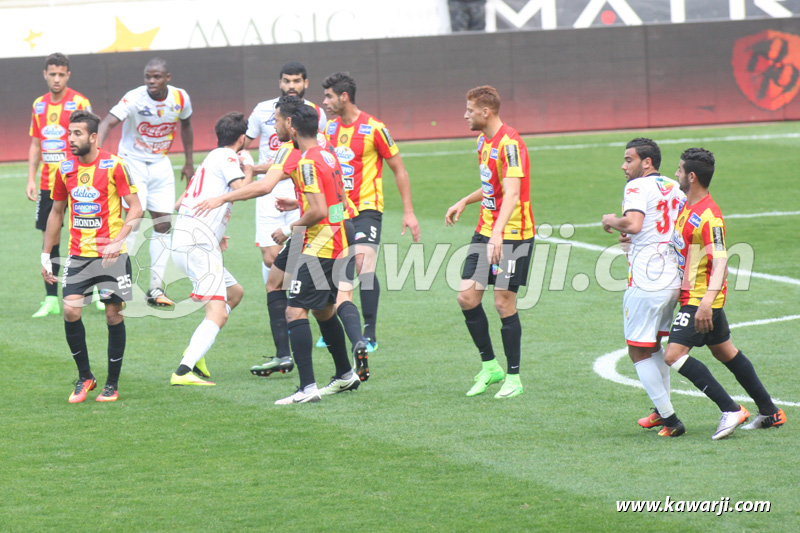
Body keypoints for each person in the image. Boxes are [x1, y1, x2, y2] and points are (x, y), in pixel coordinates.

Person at [194, 97, 368, 383]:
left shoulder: (296, 152)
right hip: (335, 226)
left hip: (317, 235)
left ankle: (306, 383)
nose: (272, 126)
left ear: (290, 123)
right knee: (300, 293)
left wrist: (221, 198)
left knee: (300, 308)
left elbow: (266, 188)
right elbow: (331, 195)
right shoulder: (324, 148)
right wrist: (297, 204)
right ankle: (344, 366)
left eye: (276, 120)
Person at [663, 147, 786, 439]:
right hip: (694, 295)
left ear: (691, 176)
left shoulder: (709, 216)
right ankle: (770, 412)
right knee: (724, 351)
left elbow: (721, 263)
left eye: (680, 170)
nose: (676, 173)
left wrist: (706, 302)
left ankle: (730, 409)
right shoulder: (686, 206)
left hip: (700, 299)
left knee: (673, 355)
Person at [40, 110, 143, 403]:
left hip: (111, 257)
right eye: (69, 133)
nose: (70, 139)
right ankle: (85, 377)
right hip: (78, 256)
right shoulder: (64, 169)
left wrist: (119, 240)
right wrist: (46, 254)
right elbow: (56, 212)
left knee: (113, 315)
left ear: (93, 137)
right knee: (71, 311)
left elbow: (136, 208)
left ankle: (112, 383)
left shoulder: (115, 166)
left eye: (77, 134)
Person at [444, 85, 534, 399]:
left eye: (469, 110)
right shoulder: (483, 140)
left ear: (486, 111)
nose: (464, 115)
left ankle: (514, 377)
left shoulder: (510, 143)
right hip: (487, 230)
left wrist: (497, 234)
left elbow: (511, 192)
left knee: (502, 302)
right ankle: (490, 366)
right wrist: (464, 201)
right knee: (467, 297)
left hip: (513, 235)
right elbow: (492, 186)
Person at [322, 71, 422, 352]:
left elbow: (399, 170)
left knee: (363, 263)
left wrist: (409, 212)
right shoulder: (329, 130)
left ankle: (370, 332)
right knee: (334, 264)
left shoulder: (375, 128)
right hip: (337, 209)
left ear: (344, 97)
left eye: (329, 96)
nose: (325, 102)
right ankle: (331, 321)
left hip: (367, 207)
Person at [601, 138, 686, 437]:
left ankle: (670, 418)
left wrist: (612, 220)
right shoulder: (674, 187)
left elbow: (634, 224)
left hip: (647, 280)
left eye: (629, 160)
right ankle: (661, 411)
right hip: (673, 277)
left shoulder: (636, 187)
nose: (624, 166)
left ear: (646, 162)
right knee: (653, 346)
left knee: (637, 350)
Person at [98, 57, 194, 308]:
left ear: (167, 78)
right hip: (132, 163)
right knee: (134, 222)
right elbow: (108, 122)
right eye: (148, 77)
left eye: (156, 77)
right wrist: (96, 151)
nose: (151, 81)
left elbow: (186, 125)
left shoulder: (181, 98)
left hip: (161, 164)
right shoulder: (135, 98)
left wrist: (188, 161)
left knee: (163, 224)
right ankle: (114, 282)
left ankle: (155, 288)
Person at [169, 112, 254, 386]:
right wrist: (249, 168)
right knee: (216, 313)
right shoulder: (228, 158)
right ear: (242, 138)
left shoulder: (209, 161)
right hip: (198, 245)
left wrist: (217, 231)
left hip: (187, 241)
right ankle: (183, 371)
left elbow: (180, 202)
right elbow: (244, 189)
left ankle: (197, 352)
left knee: (235, 293)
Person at [28, 52, 92, 318]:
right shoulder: (39, 105)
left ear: (68, 74)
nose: (56, 79)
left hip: (77, 180)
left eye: (61, 74)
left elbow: (90, 139)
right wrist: (31, 176)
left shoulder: (79, 101)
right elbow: (35, 144)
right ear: (45, 74)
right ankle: (51, 298)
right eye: (51, 74)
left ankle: (97, 293)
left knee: (89, 233)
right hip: (47, 183)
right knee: (49, 237)